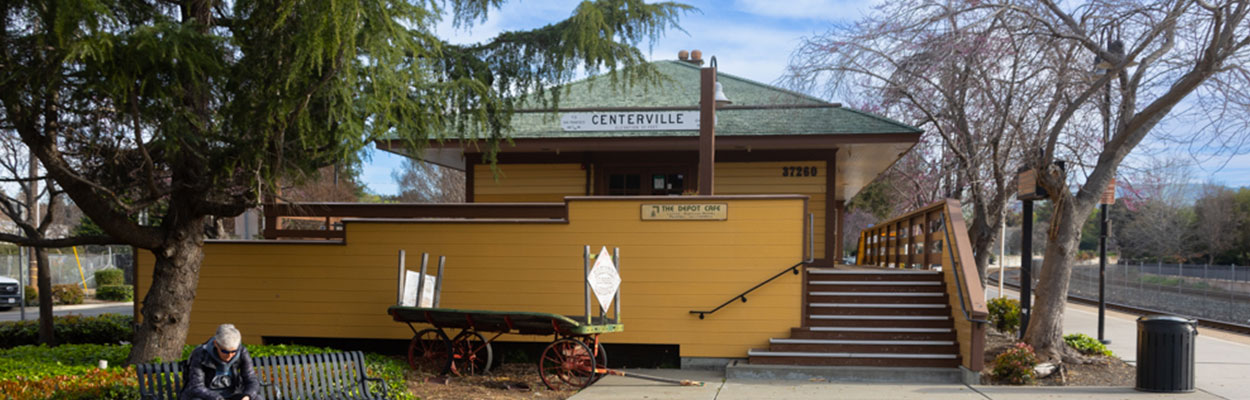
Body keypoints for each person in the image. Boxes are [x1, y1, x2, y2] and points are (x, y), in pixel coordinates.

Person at [181, 324, 262, 400]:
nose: (230, 355)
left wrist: (248, 396)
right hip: (206, 396)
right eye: (225, 351)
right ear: (216, 344)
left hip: (232, 394)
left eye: (234, 351)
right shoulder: (200, 353)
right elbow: (196, 386)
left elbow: (251, 379)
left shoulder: (242, 352)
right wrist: (218, 398)